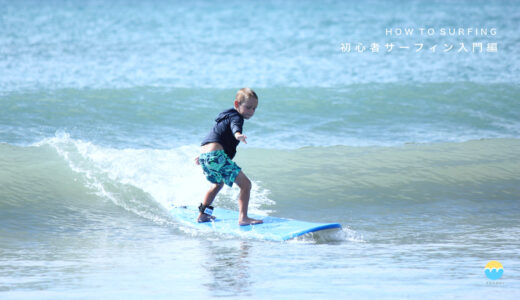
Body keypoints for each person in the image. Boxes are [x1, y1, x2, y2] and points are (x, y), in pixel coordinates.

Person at [195, 88, 263, 226]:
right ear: (237, 104)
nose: (251, 111)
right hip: (215, 156)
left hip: (206, 156)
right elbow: (235, 127)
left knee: (217, 184)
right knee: (246, 185)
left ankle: (202, 215)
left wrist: (202, 156)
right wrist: (238, 134)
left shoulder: (225, 117)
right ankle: (243, 218)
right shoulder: (236, 117)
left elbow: (214, 136)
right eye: (248, 107)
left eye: (254, 108)